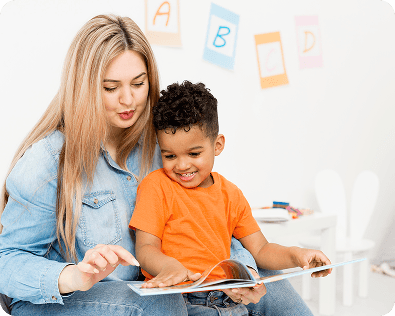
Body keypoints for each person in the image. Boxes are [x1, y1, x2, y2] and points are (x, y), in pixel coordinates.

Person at [0, 13, 315, 316]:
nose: (128, 100)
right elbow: (7, 261)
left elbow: (213, 222)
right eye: (111, 88)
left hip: (152, 286)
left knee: (270, 280)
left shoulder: (163, 146)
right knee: (160, 303)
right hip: (64, 300)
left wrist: (242, 274)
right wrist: (74, 275)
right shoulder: (47, 162)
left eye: (138, 84)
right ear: (83, 88)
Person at [129, 80, 332, 315]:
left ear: (217, 145)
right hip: (183, 302)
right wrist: (168, 266)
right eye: (170, 155)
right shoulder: (156, 186)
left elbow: (261, 249)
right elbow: (145, 247)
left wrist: (297, 255)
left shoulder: (231, 194)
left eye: (194, 153)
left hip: (231, 301)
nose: (182, 165)